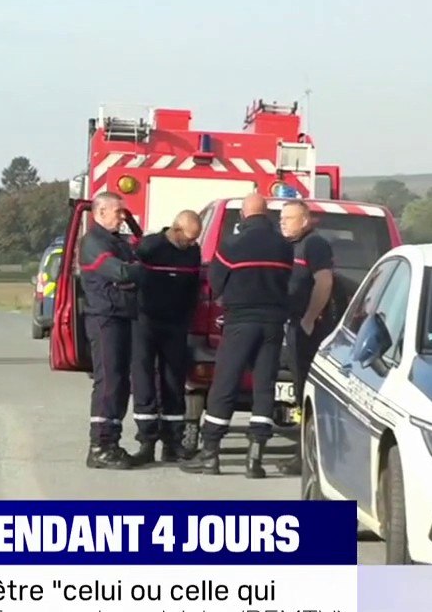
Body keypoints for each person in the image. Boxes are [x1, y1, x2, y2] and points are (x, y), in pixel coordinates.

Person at [181, 193, 292, 478]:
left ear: (243, 216)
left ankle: (210, 457)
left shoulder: (231, 245)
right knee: (264, 387)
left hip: (240, 322)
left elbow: (215, 284)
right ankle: (255, 460)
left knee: (225, 384)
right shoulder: (284, 246)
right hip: (273, 323)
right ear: (266, 215)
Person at [79, 191, 146, 469]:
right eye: (118, 212)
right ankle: (100, 445)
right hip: (104, 317)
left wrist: (133, 271)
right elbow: (120, 272)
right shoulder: (93, 242)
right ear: (100, 212)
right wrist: (134, 272)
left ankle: (112, 442)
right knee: (108, 381)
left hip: (120, 314)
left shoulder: (115, 241)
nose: (123, 217)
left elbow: (131, 268)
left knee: (119, 382)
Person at [130, 210, 203, 464]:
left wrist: (188, 317)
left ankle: (173, 442)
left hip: (176, 324)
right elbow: (131, 277)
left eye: (196, 239)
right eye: (189, 238)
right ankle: (146, 442)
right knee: (144, 379)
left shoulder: (193, 252)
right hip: (146, 321)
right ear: (176, 229)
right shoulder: (150, 247)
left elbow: (194, 287)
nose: (192, 244)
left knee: (174, 381)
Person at [275, 200, 337, 476]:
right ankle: (303, 451)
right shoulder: (288, 246)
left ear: (305, 220)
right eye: (281, 218)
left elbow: (324, 281)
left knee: (308, 393)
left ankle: (307, 457)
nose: (283, 222)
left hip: (310, 328)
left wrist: (310, 318)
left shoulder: (314, 244)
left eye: (289, 218)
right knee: (299, 391)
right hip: (291, 325)